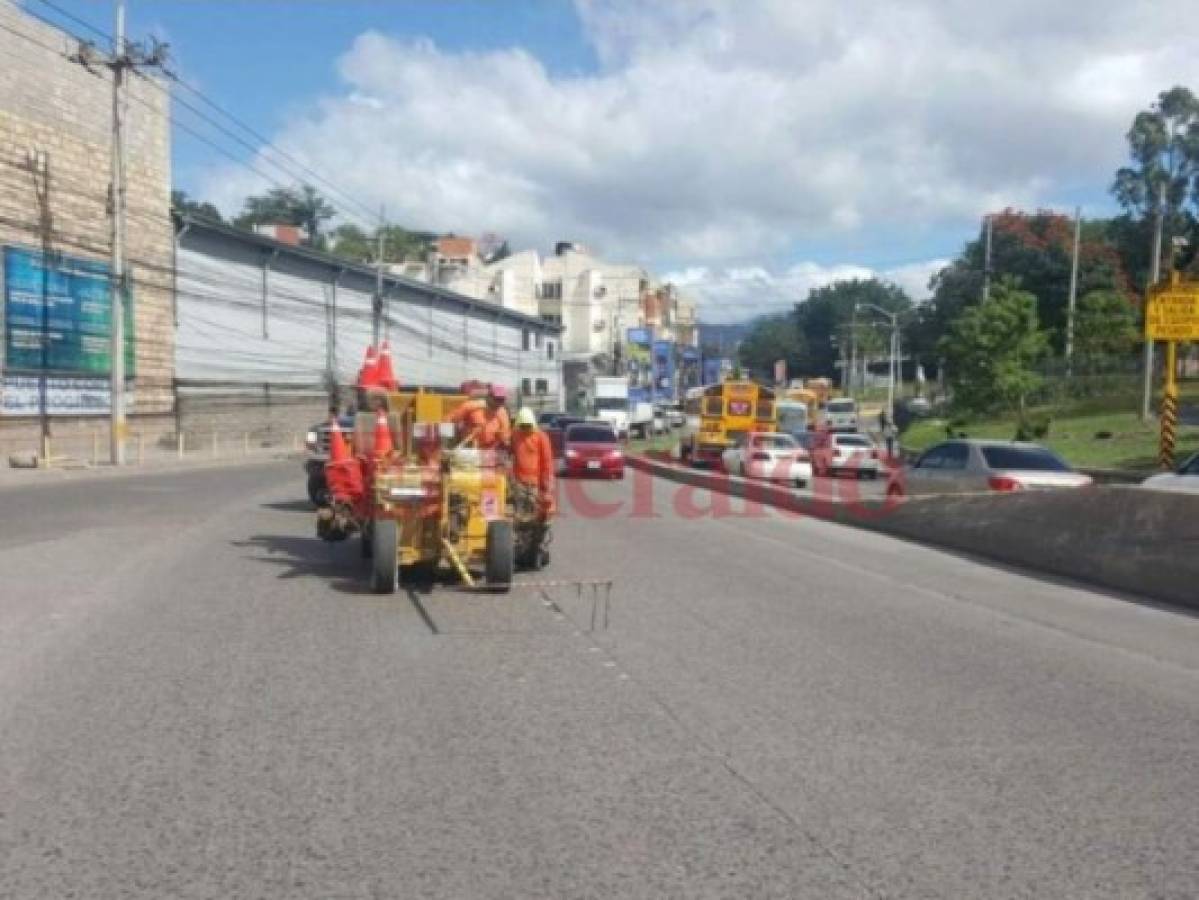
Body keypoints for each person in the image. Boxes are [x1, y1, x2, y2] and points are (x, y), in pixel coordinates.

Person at [510, 406, 555, 567]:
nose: (525, 430)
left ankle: (534, 549)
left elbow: (547, 464)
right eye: (523, 426)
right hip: (518, 484)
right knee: (519, 519)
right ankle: (521, 549)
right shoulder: (514, 435)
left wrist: (547, 489)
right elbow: (508, 453)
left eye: (528, 426)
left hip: (535, 485)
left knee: (538, 519)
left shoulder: (541, 437)